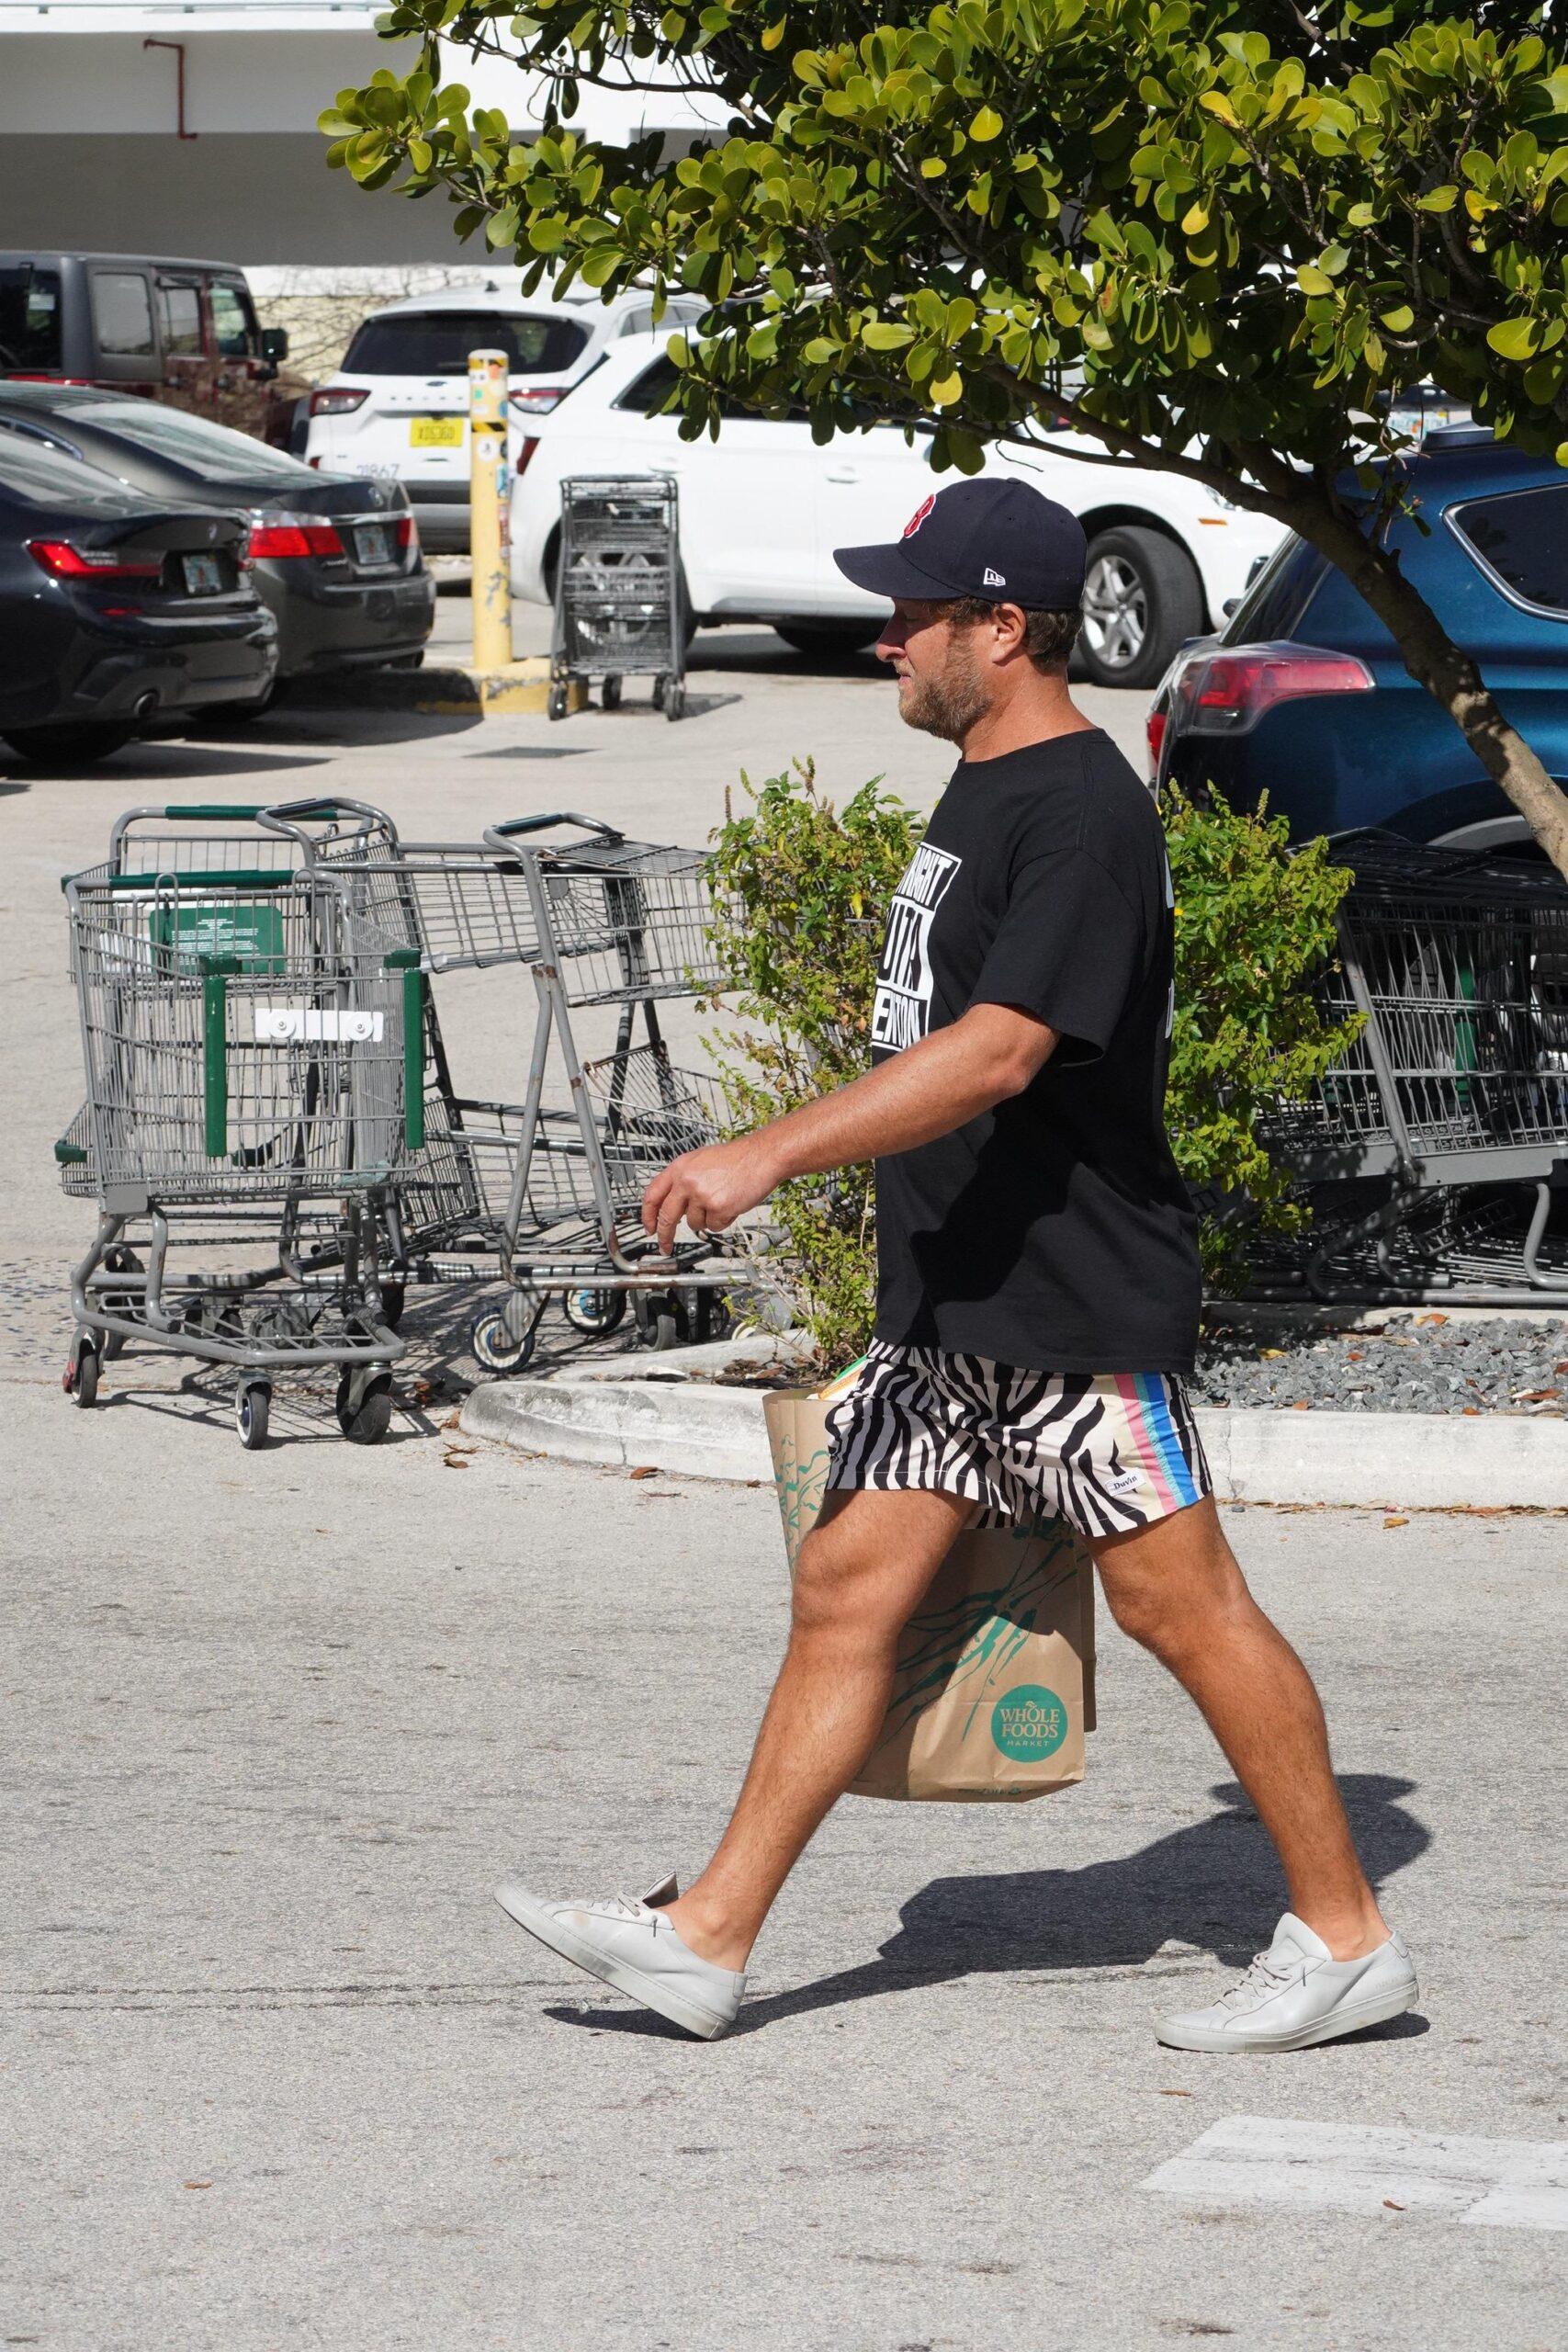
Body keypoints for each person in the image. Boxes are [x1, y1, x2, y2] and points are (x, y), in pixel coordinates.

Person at [495, 478, 1418, 2052]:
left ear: (1007, 626)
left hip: (1071, 1301)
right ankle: (707, 1938)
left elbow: (998, 1052)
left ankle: (1343, 1940)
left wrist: (766, 1151)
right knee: (846, 1587)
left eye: (916, 614)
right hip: (959, 1300)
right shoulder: (987, 783)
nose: (887, 641)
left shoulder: (1079, 812)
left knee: (1184, 1612)